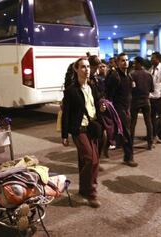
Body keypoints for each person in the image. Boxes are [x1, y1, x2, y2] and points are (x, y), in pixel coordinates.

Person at [61, 57, 105, 208]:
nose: (86, 70)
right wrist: (64, 135)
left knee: (86, 161)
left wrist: (102, 108)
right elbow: (66, 113)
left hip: (92, 128)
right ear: (76, 69)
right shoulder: (71, 90)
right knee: (92, 160)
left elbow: (97, 103)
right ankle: (91, 193)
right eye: (83, 67)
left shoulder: (92, 87)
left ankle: (82, 189)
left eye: (87, 67)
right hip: (78, 129)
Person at [106, 53, 137, 167]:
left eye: (127, 60)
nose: (125, 62)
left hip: (126, 108)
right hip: (118, 109)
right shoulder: (115, 77)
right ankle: (129, 158)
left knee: (117, 132)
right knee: (127, 133)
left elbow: (129, 92)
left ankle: (105, 147)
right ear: (118, 62)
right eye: (123, 60)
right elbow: (109, 95)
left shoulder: (128, 75)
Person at [129, 56, 153, 150]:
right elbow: (152, 89)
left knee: (132, 123)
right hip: (146, 100)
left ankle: (130, 143)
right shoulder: (148, 74)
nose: (134, 65)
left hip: (135, 101)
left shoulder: (132, 75)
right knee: (148, 122)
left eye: (135, 63)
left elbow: (130, 89)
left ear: (139, 63)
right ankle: (150, 143)